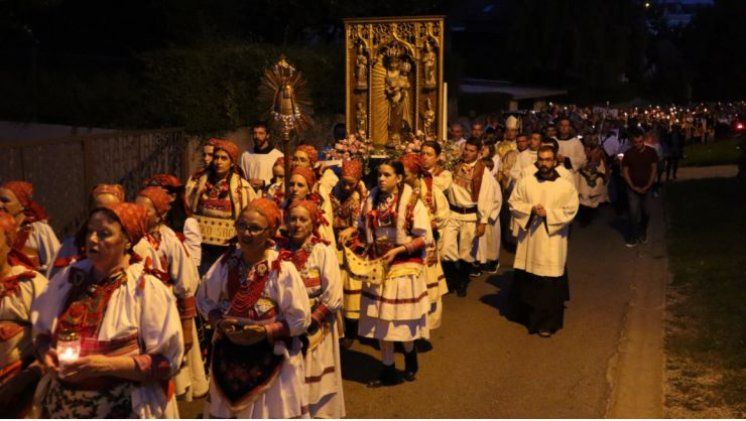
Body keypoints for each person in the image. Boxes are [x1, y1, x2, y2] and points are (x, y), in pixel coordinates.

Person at [31, 202, 184, 418]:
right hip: (62, 405)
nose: (92, 239)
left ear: (127, 240)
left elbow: (166, 363)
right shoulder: (69, 278)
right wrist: (48, 355)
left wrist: (105, 365)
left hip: (122, 405)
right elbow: (42, 334)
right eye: (90, 231)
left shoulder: (145, 289)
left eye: (104, 234)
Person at [196, 198, 311, 418]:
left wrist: (266, 331)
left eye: (255, 228)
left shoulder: (281, 269)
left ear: (270, 232)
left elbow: (300, 318)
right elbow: (204, 298)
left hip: (269, 355)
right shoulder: (225, 262)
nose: (246, 233)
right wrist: (219, 322)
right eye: (242, 226)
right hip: (229, 353)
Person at [357, 160, 431, 387]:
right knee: (382, 322)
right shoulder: (371, 198)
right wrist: (353, 231)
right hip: (378, 265)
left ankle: (410, 355)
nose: (381, 179)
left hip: (403, 266)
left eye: (387, 175)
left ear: (398, 178)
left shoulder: (412, 201)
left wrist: (399, 249)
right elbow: (362, 226)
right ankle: (388, 368)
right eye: (379, 175)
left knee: (401, 322)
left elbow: (424, 237)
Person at [135, 186, 208, 401]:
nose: (138, 214)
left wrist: (186, 326)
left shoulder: (169, 240)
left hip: (165, 313)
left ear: (160, 214)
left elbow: (186, 282)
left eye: (144, 210)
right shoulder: (133, 236)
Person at [280, 199, 345, 418]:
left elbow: (334, 295)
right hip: (288, 326)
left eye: (303, 219)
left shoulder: (322, 250)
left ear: (313, 222)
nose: (297, 224)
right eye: (292, 219)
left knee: (317, 375)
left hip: (319, 327)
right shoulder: (278, 250)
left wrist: (310, 322)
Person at [509, 146, 579, 337]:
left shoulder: (565, 185)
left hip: (552, 242)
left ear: (555, 160)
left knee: (549, 284)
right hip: (531, 240)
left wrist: (549, 213)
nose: (544, 164)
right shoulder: (526, 182)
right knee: (530, 281)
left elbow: (571, 210)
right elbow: (513, 202)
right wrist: (530, 209)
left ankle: (547, 322)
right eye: (541, 159)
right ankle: (528, 316)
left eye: (548, 160)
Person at [0, 212, 47, 417]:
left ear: (10, 243)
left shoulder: (31, 283)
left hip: (22, 391)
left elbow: (52, 343)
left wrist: (23, 380)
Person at [185, 138, 256, 274]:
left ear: (231, 163)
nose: (219, 162)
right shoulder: (196, 183)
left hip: (228, 249)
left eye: (224, 158)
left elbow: (250, 215)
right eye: (216, 157)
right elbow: (187, 208)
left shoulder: (242, 188)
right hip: (201, 247)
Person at [440, 138, 497, 296]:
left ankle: (462, 282)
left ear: (479, 153)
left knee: (466, 251)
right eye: (466, 149)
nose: (467, 153)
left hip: (470, 215)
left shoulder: (482, 172)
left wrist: (483, 221)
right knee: (446, 249)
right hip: (452, 212)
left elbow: (486, 196)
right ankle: (450, 280)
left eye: (472, 150)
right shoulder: (454, 165)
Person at [400, 153, 449, 332]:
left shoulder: (429, 188)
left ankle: (424, 330)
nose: (401, 179)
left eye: (404, 175)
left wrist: (429, 223)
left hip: (425, 246)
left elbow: (443, 215)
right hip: (405, 247)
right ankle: (406, 329)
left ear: (414, 174)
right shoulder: (399, 191)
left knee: (427, 289)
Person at [47, 184, 125, 280]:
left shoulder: (131, 250)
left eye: (110, 212)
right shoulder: (70, 246)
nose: (102, 216)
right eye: (97, 210)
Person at [330, 160, 367, 347]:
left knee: (352, 289)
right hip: (336, 243)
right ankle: (340, 329)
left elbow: (360, 224)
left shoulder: (360, 196)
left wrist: (350, 230)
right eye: (343, 182)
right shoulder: (334, 190)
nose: (345, 186)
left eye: (350, 183)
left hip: (354, 247)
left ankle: (353, 331)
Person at [144, 174, 202, 270]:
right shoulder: (147, 222)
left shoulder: (188, 223)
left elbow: (193, 264)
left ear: (173, 196)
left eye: (159, 193)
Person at [0, 181, 60, 273]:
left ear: (22, 205)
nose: (0, 205)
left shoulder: (39, 230)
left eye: (5, 200)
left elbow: (55, 263)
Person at [621, 128, 658, 247]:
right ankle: (633, 236)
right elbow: (625, 171)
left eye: (640, 141)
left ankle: (643, 231)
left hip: (647, 186)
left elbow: (654, 169)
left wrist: (648, 184)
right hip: (633, 188)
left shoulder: (651, 152)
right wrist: (632, 185)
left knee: (646, 211)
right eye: (635, 142)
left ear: (643, 141)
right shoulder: (629, 153)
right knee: (633, 212)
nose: (638, 144)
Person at [240, 121, 284, 193]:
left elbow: (282, 181)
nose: (257, 136)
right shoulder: (246, 155)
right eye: (255, 133)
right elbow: (241, 178)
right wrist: (248, 182)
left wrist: (264, 183)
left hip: (270, 195)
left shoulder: (278, 156)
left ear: (267, 135)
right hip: (250, 195)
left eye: (261, 133)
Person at [556, 118, 588, 188]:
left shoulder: (576, 142)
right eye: (562, 125)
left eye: (566, 126)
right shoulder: (553, 140)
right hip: (555, 176)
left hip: (571, 176)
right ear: (559, 127)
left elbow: (583, 160)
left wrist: (566, 160)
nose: (564, 128)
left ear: (570, 128)